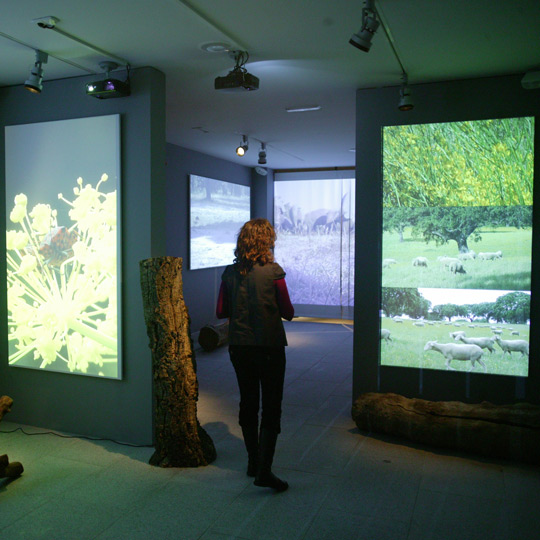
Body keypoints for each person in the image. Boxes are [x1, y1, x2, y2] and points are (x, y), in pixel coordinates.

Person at [216, 218, 294, 492]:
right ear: (267, 242)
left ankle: (252, 462)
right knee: (271, 406)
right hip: (270, 347)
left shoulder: (229, 273)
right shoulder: (274, 272)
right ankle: (265, 470)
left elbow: (221, 311)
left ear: (242, 242)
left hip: (240, 347)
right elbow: (288, 312)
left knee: (248, 403)